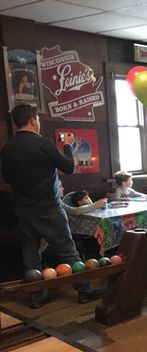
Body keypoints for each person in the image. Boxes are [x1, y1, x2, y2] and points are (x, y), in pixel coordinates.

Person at [0, 104, 103, 307]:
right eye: (37, 119)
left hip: (23, 209)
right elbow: (69, 167)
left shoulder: (7, 149)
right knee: (67, 249)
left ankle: (36, 296)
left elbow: (8, 178)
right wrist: (68, 146)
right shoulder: (43, 144)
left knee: (30, 252)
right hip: (48, 207)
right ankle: (84, 290)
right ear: (33, 120)